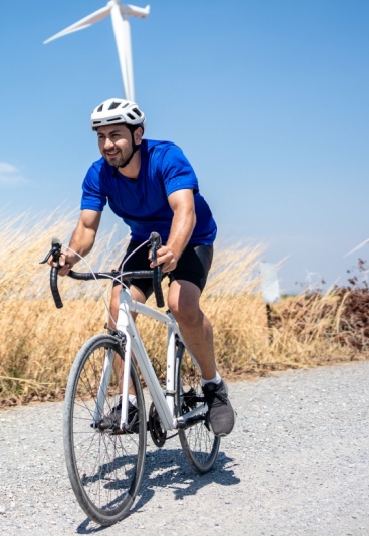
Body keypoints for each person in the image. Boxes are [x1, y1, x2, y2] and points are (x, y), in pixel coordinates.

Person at [52, 97, 235, 436]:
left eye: (116, 135)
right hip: (144, 240)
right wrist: (68, 257)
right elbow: (87, 228)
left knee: (182, 304)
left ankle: (213, 386)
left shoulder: (166, 157)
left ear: (138, 135)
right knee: (116, 309)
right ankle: (131, 404)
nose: (108, 145)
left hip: (191, 238)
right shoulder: (99, 174)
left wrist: (174, 251)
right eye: (101, 137)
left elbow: (185, 211)